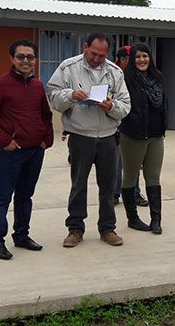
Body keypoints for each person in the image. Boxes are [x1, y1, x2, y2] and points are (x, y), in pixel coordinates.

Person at [47, 33, 131, 247]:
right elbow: (53, 96)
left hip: (108, 137)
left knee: (108, 185)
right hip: (80, 136)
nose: (96, 59)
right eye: (93, 54)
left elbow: (125, 106)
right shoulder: (68, 67)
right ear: (85, 47)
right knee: (78, 184)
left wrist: (110, 106)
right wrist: (71, 95)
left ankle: (107, 229)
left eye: (101, 55)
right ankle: (75, 229)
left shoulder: (114, 72)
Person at [0, 39, 53, 260]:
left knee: (25, 196)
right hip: (12, 153)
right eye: (21, 57)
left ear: (35, 60)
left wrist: (45, 140)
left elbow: (46, 115)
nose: (26, 61)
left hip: (34, 152)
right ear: (12, 59)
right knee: (3, 197)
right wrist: (4, 141)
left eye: (30, 57)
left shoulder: (38, 85)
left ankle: (21, 236)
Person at [118, 43, 168, 234]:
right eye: (138, 57)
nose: (141, 60)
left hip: (156, 136)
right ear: (132, 59)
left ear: (150, 58)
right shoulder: (126, 79)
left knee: (153, 176)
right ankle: (133, 218)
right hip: (133, 135)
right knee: (130, 177)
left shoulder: (158, 77)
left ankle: (156, 219)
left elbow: (163, 104)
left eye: (145, 56)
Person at [113, 45, 147, 207]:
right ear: (122, 60)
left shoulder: (139, 77)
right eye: (130, 58)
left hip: (134, 125)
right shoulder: (113, 75)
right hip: (116, 125)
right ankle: (114, 193)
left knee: (134, 162)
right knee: (116, 162)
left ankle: (135, 193)